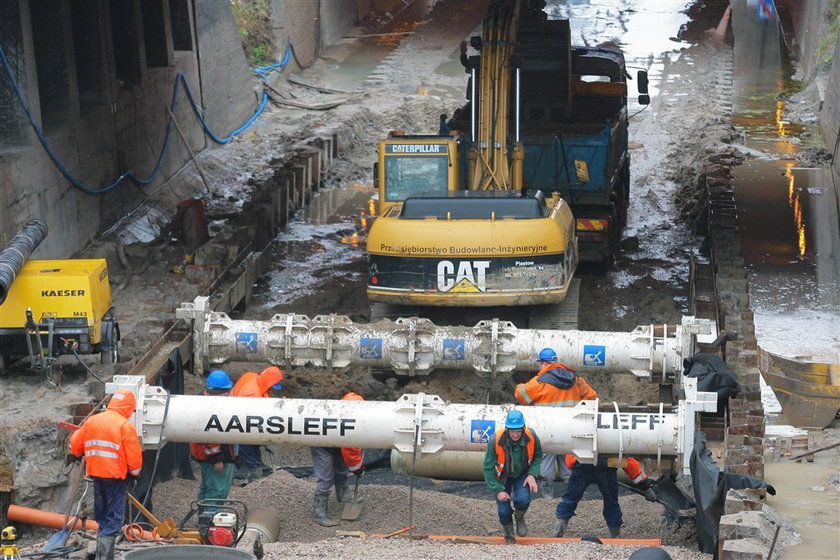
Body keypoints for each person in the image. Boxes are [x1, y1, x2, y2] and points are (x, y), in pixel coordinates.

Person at [68, 389, 143, 560]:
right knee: (114, 519)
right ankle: (104, 556)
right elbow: (135, 461)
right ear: (128, 407)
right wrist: (134, 475)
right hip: (116, 479)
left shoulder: (92, 421)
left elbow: (75, 445)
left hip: (96, 476)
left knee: (102, 517)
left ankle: (102, 552)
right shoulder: (124, 426)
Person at [515, 348, 597, 492]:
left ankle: (546, 496)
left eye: (540, 363)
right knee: (568, 459)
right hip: (572, 428)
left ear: (543, 363)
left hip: (549, 428)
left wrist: (520, 386)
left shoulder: (541, 381)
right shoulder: (575, 379)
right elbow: (591, 396)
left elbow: (521, 395)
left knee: (546, 458)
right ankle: (571, 495)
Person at [554, 451, 654, 538]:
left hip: (582, 464)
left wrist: (578, 468)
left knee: (570, 498)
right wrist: (645, 487)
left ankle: (559, 530)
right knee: (611, 502)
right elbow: (629, 463)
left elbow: (570, 460)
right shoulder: (613, 437)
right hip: (607, 465)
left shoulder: (580, 432)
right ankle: (615, 535)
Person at [482, 410, 543, 543]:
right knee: (504, 511)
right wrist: (498, 489)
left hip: (522, 474)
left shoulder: (531, 436)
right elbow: (487, 467)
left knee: (523, 500)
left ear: (523, 428)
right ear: (507, 429)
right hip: (502, 478)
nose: (515, 434)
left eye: (518, 431)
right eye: (512, 431)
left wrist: (532, 474)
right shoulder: (495, 440)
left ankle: (519, 517)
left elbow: (538, 455)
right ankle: (509, 536)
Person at [311, 391, 365, 527]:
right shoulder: (345, 419)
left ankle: (343, 497)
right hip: (321, 444)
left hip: (336, 444)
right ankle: (320, 513)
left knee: (341, 471)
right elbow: (350, 448)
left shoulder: (350, 414)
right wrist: (357, 468)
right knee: (326, 478)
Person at [190, 370, 238, 508]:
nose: (228, 394)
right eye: (225, 391)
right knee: (218, 491)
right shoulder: (210, 408)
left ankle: (204, 518)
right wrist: (217, 459)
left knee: (207, 488)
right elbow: (207, 436)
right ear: (217, 392)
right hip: (214, 458)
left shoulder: (201, 401)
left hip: (205, 456)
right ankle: (211, 521)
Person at [230, 366, 284, 482]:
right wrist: (265, 440)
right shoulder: (253, 394)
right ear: (268, 382)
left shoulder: (252, 377)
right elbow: (252, 424)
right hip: (239, 423)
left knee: (250, 448)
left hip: (237, 419)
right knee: (248, 448)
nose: (272, 390)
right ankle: (254, 478)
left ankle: (248, 472)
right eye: (272, 387)